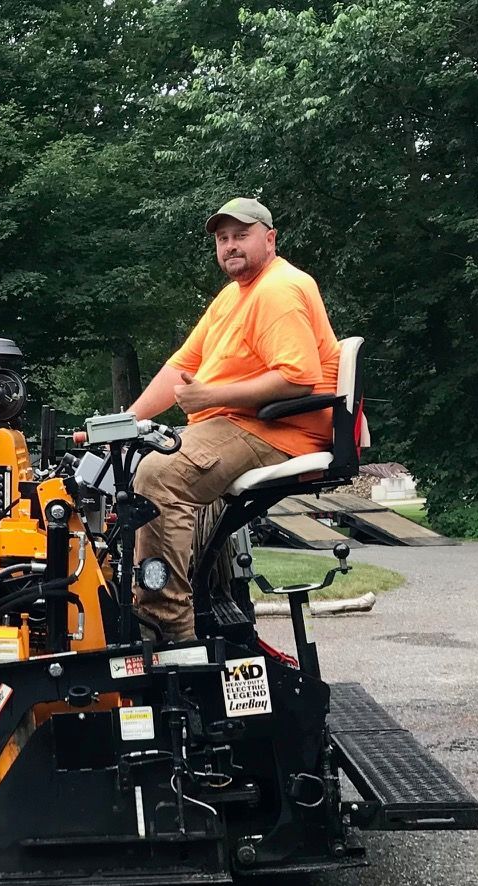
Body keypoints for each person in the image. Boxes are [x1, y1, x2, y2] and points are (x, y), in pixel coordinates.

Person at [126, 197, 340, 641]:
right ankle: (194, 602)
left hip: (280, 429)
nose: (230, 245)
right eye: (223, 239)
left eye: (241, 235)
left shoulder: (279, 289)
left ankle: (166, 631)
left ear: (269, 238)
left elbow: (299, 378)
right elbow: (179, 367)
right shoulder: (232, 297)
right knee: (125, 460)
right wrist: (123, 421)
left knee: (160, 475)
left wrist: (211, 394)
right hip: (238, 424)